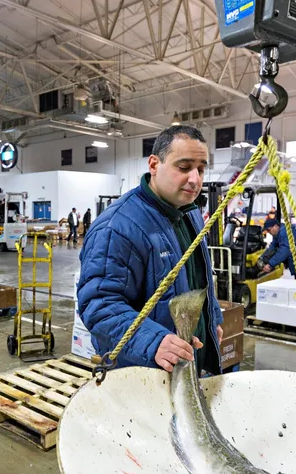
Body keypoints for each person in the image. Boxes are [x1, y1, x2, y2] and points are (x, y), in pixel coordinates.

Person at [77, 125, 224, 375]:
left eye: (201, 169)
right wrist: (154, 341)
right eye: (184, 167)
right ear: (154, 165)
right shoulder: (117, 227)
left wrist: (212, 321)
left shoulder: (190, 214)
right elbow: (99, 305)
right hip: (139, 372)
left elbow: (198, 278)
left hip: (182, 363)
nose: (195, 179)